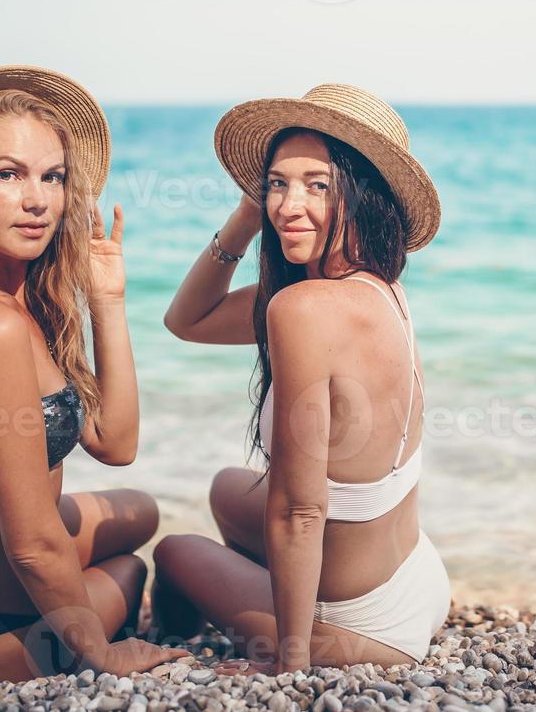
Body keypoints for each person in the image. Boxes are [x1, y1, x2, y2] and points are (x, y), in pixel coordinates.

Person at [0, 65, 187, 692]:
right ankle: (4, 650)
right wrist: (101, 656)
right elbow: (29, 543)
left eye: (52, 177)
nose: (38, 200)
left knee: (141, 512)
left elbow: (116, 444)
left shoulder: (14, 296)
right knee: (128, 571)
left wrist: (107, 302)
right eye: (7, 174)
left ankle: (65, 622)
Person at [154, 84, 451, 673]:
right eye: (276, 184)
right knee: (224, 488)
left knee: (174, 552)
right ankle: (274, 595)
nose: (288, 206)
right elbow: (186, 322)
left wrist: (286, 665)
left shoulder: (305, 310)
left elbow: (300, 511)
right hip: (419, 578)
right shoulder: (377, 288)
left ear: (364, 196)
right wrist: (243, 218)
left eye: (318, 185)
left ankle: (178, 645)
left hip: (362, 629)